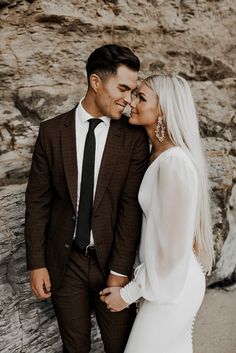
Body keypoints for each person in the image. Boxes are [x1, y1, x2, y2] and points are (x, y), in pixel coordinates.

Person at [24, 44, 149, 353]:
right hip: (66, 264)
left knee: (121, 346)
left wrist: (120, 272)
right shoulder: (52, 132)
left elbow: (129, 209)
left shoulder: (133, 138)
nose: (128, 99)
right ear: (96, 82)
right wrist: (37, 263)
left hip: (113, 265)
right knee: (75, 348)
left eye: (133, 91)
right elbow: (38, 202)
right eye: (122, 88)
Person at [100, 74, 214, 353]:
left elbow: (171, 250)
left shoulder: (174, 163)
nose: (131, 102)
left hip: (172, 286)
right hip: (166, 282)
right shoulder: (159, 155)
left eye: (141, 97)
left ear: (163, 109)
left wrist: (127, 294)